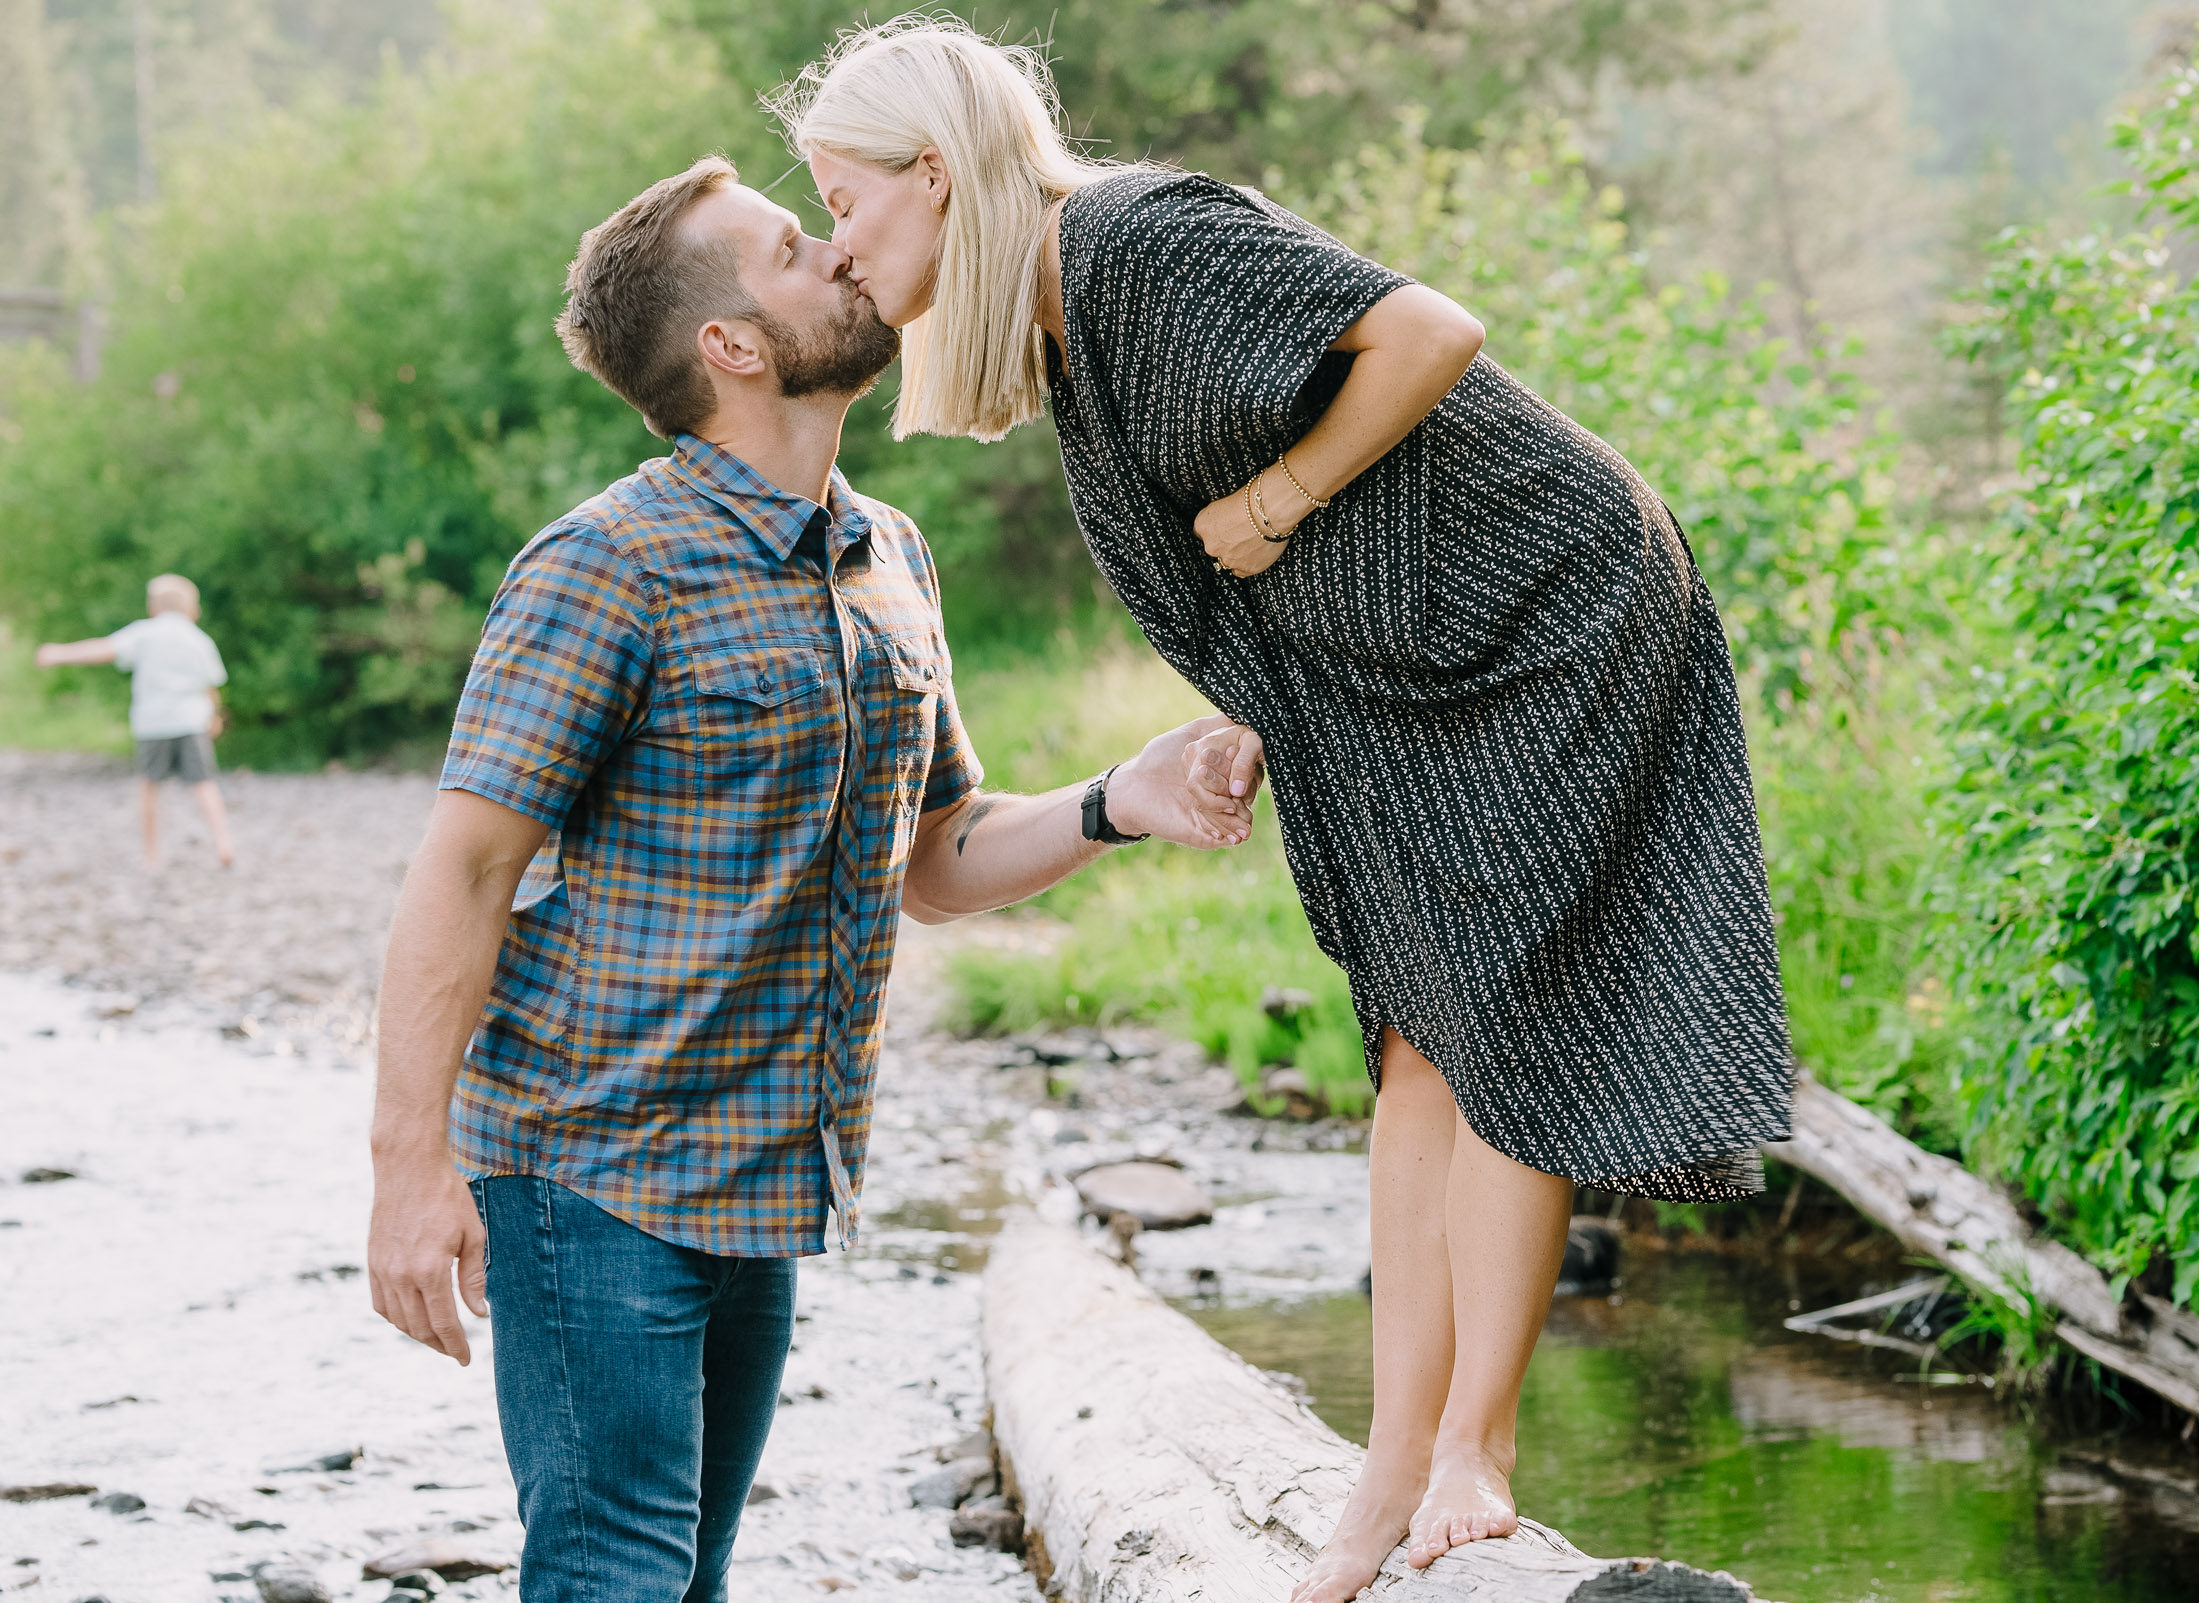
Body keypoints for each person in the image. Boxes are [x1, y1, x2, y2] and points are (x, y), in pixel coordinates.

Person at [776, 19, 1798, 1601]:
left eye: (842, 201)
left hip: (1547, 608)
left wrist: (1280, 498)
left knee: (1504, 1015)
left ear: (933, 173)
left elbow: (1430, 333)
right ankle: (1392, 1463)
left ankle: (1477, 1447)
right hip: (1394, 666)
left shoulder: (1129, 240)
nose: (840, 246)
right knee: (1412, 1035)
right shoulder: (1061, 323)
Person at [364, 155, 1259, 1603]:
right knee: (615, 1572)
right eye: (793, 249)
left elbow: (938, 858)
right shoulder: (606, 565)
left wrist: (1121, 798)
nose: (844, 254)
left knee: (687, 1573)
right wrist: (409, 1171)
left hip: (768, 1178)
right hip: (593, 1177)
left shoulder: (887, 555)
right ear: (731, 344)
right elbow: (459, 872)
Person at [36, 573, 237, 870]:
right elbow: (210, 685)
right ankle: (223, 843)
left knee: (149, 786)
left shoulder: (145, 632)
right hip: (191, 723)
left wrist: (60, 653)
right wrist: (215, 716)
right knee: (204, 784)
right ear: (193, 609)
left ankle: (151, 854)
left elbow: (103, 650)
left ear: (153, 607)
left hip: (153, 724)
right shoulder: (198, 639)